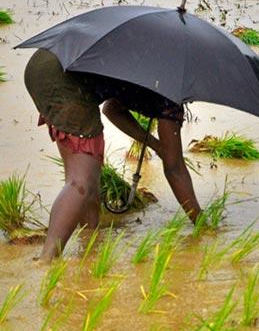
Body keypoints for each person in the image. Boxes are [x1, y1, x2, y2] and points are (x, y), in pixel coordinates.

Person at [24, 48, 201, 262]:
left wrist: (154, 145)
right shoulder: (170, 95)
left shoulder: (156, 64)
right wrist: (202, 225)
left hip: (44, 64)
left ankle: (90, 242)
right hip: (64, 79)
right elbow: (175, 168)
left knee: (89, 174)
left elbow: (112, 109)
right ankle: (47, 258)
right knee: (81, 182)